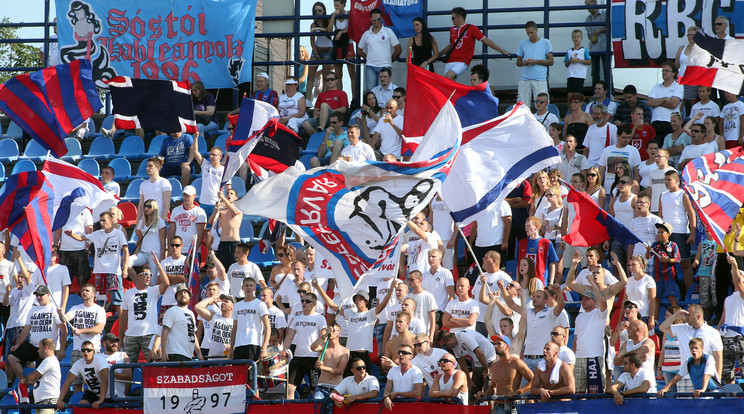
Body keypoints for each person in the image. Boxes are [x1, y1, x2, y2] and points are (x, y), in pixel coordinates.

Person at [315, 279, 397, 375]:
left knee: (365, 381)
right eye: (356, 299)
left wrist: (391, 289)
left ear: (366, 301)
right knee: (347, 379)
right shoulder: (350, 314)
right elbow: (332, 305)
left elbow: (383, 304)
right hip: (350, 354)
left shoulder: (371, 314)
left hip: (363, 353)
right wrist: (318, 287)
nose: (358, 301)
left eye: (361, 299)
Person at [65, 211, 128, 315]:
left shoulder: (118, 233)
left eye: (104, 221)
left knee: (118, 302)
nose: (102, 223)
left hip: (113, 271)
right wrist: (71, 234)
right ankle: (101, 326)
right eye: (100, 221)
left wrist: (125, 268)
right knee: (99, 302)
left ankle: (121, 328)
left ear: (111, 221)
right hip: (100, 271)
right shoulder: (97, 234)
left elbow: (126, 250)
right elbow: (82, 238)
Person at [7, 285, 66, 385]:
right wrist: (18, 344)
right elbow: (26, 329)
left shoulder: (54, 309)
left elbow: (64, 330)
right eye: (37, 295)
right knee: (12, 357)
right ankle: (23, 382)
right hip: (34, 346)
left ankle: (35, 385)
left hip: (48, 349)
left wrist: (62, 349)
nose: (38, 297)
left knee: (43, 377)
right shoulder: (32, 310)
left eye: (41, 295)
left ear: (48, 295)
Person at [440, 7, 510, 81]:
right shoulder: (452, 29)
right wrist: (438, 55)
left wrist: (502, 51)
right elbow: (451, 45)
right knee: (448, 86)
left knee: (448, 76)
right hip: (450, 61)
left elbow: (486, 41)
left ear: (459, 18)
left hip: (462, 61)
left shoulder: (472, 28)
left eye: (453, 17)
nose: (451, 20)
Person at [120, 260, 170, 362]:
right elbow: (123, 316)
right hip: (131, 336)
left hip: (149, 334)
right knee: (127, 366)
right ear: (138, 276)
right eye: (146, 274)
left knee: (153, 363)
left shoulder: (153, 290)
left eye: (150, 275)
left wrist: (159, 265)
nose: (148, 276)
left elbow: (166, 283)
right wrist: (121, 336)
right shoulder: (128, 293)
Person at [659, 304, 723, 382]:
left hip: (705, 378)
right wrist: (676, 315)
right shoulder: (682, 328)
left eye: (689, 315)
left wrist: (718, 379)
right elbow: (662, 327)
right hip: (685, 377)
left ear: (698, 316)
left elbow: (718, 357)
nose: (686, 317)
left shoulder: (713, 332)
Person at [283, 292, 327, 399]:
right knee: (290, 387)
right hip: (298, 356)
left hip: (313, 358)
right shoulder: (297, 318)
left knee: (314, 389)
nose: (304, 303)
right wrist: (284, 350)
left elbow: (323, 340)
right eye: (302, 300)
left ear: (314, 304)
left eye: (307, 301)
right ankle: (290, 410)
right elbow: (289, 336)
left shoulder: (320, 318)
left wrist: (320, 357)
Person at [658, 170, 696, 293]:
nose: (666, 182)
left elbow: (691, 214)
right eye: (665, 180)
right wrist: (659, 232)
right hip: (665, 234)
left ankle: (689, 293)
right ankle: (671, 293)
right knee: (666, 265)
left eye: (669, 180)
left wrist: (692, 233)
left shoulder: (682, 194)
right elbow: (660, 215)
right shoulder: (662, 195)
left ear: (676, 181)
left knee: (685, 263)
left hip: (680, 232)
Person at [65, 283, 106, 392]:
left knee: (96, 381)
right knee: (76, 382)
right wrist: (61, 314)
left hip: (94, 349)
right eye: (83, 290)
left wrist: (81, 331)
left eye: (87, 290)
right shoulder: (75, 308)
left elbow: (98, 329)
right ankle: (78, 404)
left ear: (94, 294)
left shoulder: (99, 310)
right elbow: (65, 318)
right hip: (77, 349)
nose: (84, 292)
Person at [477, 333, 533, 408]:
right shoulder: (495, 365)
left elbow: (533, 380)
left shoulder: (516, 362)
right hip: (498, 405)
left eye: (499, 344)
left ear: (507, 346)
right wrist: (484, 394)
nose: (495, 346)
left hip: (513, 405)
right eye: (495, 344)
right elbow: (493, 386)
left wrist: (518, 392)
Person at [438, 328, 497, 398]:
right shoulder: (454, 344)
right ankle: (472, 406)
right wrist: (468, 380)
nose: (446, 348)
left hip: (489, 358)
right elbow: (462, 362)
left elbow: (480, 353)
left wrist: (486, 370)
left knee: (488, 390)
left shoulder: (464, 337)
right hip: (478, 362)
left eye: (445, 345)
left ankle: (491, 407)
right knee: (473, 390)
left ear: (449, 340)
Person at [573, 285, 608, 394]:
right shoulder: (579, 317)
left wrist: (592, 282)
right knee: (578, 391)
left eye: (587, 299)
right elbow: (576, 338)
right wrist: (574, 354)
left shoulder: (600, 313)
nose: (583, 301)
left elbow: (603, 300)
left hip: (594, 356)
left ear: (594, 301)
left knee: (595, 392)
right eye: (582, 298)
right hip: (579, 357)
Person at [356, 8, 402, 92]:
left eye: (378, 19)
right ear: (370, 19)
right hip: (371, 66)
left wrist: (390, 60)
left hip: (385, 66)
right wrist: (368, 58)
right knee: (370, 92)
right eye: (374, 19)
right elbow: (359, 50)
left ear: (382, 19)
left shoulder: (388, 31)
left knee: (383, 90)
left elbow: (398, 49)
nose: (376, 21)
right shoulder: (366, 33)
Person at [58, 340, 110, 409]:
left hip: (109, 394)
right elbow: (68, 382)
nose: (86, 352)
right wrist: (60, 400)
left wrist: (101, 400)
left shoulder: (101, 360)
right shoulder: (78, 363)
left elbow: (104, 380)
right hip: (92, 393)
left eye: (88, 350)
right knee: (82, 405)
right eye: (83, 350)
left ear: (93, 352)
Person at [717, 255, 744, 383]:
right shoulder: (728, 298)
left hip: (740, 337)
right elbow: (722, 320)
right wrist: (717, 337)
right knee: (727, 373)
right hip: (726, 336)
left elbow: (738, 282)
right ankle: (730, 399)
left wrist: (734, 265)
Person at [228, 277, 270, 362]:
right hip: (239, 344)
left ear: (255, 288)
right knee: (239, 373)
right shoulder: (237, 305)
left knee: (252, 373)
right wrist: (231, 348)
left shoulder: (260, 304)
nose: (249, 288)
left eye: (251, 286)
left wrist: (264, 348)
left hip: (254, 343)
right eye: (246, 285)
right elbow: (234, 328)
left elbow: (268, 327)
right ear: (242, 287)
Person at [516, 20, 553, 109]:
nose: (530, 35)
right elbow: (518, 62)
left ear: (536, 30)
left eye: (531, 32)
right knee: (522, 108)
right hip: (525, 79)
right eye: (528, 33)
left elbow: (551, 61)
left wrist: (536, 61)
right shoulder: (522, 43)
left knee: (542, 106)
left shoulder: (546, 42)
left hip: (539, 79)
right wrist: (524, 63)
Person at [55, 199, 93, 287]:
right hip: (64, 251)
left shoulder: (85, 210)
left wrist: (87, 248)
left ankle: (85, 300)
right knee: (65, 282)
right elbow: (58, 231)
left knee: (83, 281)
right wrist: (56, 246)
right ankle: (64, 301)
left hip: (80, 250)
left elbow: (90, 230)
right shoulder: (62, 211)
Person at [129, 199, 166, 283]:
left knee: (153, 281)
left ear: (154, 208)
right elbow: (139, 239)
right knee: (127, 263)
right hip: (143, 252)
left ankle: (151, 295)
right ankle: (139, 285)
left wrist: (162, 258)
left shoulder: (160, 222)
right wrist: (136, 252)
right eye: (145, 206)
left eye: (149, 206)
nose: (146, 208)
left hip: (155, 254)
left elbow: (163, 242)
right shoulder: (142, 221)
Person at [161, 284, 201, 361]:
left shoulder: (191, 313)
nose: (183, 294)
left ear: (189, 296)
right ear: (176, 298)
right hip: (174, 354)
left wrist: (199, 353)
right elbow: (164, 332)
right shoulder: (172, 311)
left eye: (185, 293)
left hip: (188, 354)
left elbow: (193, 334)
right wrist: (164, 352)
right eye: (180, 293)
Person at [21, 338, 60, 414]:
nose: (38, 351)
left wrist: (24, 380)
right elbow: (41, 381)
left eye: (39, 348)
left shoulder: (49, 360)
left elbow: (34, 375)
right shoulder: (50, 360)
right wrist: (29, 383)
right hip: (42, 402)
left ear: (45, 348)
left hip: (48, 402)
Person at [516, 216, 559, 285]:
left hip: (540, 282)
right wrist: (517, 282)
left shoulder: (546, 243)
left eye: (528, 226)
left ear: (536, 227)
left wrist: (551, 283)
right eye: (525, 226)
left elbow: (552, 264)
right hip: (524, 282)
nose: (526, 228)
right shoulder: (521, 243)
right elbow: (518, 265)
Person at [329, 0, 357, 101]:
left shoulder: (348, 13)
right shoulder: (334, 14)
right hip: (338, 45)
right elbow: (329, 30)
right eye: (335, 5)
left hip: (348, 43)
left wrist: (341, 32)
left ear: (344, 4)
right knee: (338, 74)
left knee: (352, 73)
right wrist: (333, 16)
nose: (336, 7)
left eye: (338, 5)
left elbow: (352, 27)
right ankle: (340, 99)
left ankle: (354, 98)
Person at [382, 344, 424, 411]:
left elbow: (418, 392)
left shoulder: (416, 371)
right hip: (395, 407)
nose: (401, 354)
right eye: (399, 352)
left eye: (404, 353)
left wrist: (398, 394)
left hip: (411, 407)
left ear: (410, 356)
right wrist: (386, 397)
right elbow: (387, 390)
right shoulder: (392, 370)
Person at [648, 61, 683, 140]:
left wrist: (656, 102)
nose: (664, 72)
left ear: (673, 73)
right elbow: (650, 102)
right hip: (655, 122)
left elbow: (673, 104)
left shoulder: (678, 86)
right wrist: (664, 99)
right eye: (663, 70)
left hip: (670, 123)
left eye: (667, 71)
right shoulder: (656, 87)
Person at [191, 138, 224, 218]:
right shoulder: (205, 165)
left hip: (216, 204)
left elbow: (228, 188)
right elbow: (195, 151)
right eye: (210, 154)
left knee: (214, 229)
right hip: (203, 203)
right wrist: (195, 137)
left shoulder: (224, 170)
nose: (211, 156)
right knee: (203, 229)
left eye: (214, 155)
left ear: (220, 156)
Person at [168, 185, 207, 254]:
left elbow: (200, 233)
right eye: (185, 195)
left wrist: (195, 250)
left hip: (192, 249)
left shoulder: (200, 211)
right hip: (178, 249)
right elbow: (171, 231)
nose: (186, 198)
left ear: (194, 196)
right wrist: (170, 249)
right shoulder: (175, 210)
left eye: (188, 196)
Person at [194, 293, 234, 358]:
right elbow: (197, 307)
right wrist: (211, 299)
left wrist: (232, 346)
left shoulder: (235, 322)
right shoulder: (214, 317)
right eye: (222, 301)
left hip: (227, 360)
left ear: (233, 306)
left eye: (226, 301)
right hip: (213, 360)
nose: (223, 303)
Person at [625, 255, 657, 326]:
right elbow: (625, 300)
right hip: (628, 315)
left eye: (633, 264)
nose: (631, 267)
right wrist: (621, 316)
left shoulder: (648, 279)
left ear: (641, 265)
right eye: (630, 265)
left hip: (643, 315)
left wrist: (652, 318)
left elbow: (652, 300)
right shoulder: (628, 280)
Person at [405, 271, 437, 341]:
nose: (409, 281)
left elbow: (432, 319)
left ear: (419, 280)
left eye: (412, 279)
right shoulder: (407, 298)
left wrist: (431, 337)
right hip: (409, 334)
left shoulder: (428, 296)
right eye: (408, 279)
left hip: (423, 335)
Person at [583, 103, 618, 168]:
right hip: (591, 165)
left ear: (605, 115)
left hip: (606, 165)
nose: (595, 116)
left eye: (597, 114)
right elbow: (586, 148)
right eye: (593, 113)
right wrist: (585, 163)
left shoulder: (612, 128)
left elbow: (615, 147)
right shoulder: (591, 128)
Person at [138, 157, 171, 222]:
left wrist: (162, 222)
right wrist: (138, 223)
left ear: (157, 168)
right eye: (147, 166)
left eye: (150, 166)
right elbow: (141, 206)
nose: (147, 168)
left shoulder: (164, 182)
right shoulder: (143, 184)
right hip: (146, 221)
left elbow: (166, 204)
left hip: (159, 219)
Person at [675, 26, 700, 113]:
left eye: (692, 35)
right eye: (688, 35)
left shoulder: (701, 50)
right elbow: (676, 65)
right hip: (681, 79)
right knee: (679, 102)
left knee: (690, 102)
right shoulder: (682, 48)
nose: (690, 37)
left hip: (693, 80)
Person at [101, 333, 131, 399]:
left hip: (118, 395)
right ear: (104, 343)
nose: (114, 343)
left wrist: (110, 372)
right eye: (111, 342)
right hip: (101, 395)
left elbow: (128, 376)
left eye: (116, 341)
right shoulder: (98, 357)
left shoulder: (123, 356)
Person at [565, 29, 590, 93]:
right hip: (570, 75)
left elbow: (589, 62)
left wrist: (579, 60)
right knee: (570, 94)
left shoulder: (584, 50)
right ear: (572, 38)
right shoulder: (569, 51)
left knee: (577, 95)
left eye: (578, 36)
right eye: (574, 37)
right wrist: (570, 61)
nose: (576, 38)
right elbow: (566, 64)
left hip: (579, 75)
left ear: (581, 38)